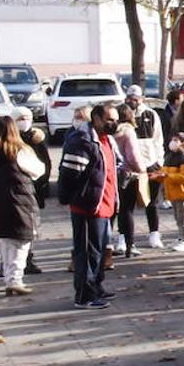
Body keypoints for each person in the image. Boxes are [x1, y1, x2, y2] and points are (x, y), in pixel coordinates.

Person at [59, 103, 121, 309]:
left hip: (105, 205)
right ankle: (84, 295)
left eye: (116, 119)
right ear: (96, 119)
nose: (114, 123)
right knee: (86, 252)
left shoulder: (106, 140)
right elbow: (69, 174)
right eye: (110, 119)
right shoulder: (83, 140)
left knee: (100, 251)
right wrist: (74, 197)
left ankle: (96, 286)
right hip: (87, 206)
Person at [0, 116, 46, 296]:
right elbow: (39, 170)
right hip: (20, 201)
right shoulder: (19, 150)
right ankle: (15, 280)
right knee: (21, 242)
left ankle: (10, 277)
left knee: (7, 242)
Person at [126, 85, 168, 250]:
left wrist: (159, 162)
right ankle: (125, 237)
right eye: (130, 98)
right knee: (127, 203)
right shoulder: (123, 114)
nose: (132, 101)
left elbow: (158, 139)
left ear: (142, 98)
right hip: (130, 166)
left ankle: (154, 233)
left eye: (135, 98)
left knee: (152, 201)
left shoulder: (151, 114)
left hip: (150, 163)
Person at [12, 106, 49, 275]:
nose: (24, 122)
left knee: (32, 227)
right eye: (20, 119)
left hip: (33, 189)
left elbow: (45, 164)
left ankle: (28, 259)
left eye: (27, 118)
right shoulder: (9, 140)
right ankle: (13, 263)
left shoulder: (36, 139)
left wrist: (41, 183)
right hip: (14, 191)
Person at [153, 133, 184, 252]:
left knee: (183, 217)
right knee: (178, 217)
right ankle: (180, 237)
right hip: (173, 193)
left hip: (182, 192)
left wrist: (166, 175)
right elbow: (164, 172)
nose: (173, 142)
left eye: (176, 140)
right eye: (172, 139)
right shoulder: (170, 157)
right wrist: (157, 175)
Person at [112, 105, 147, 258]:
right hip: (127, 174)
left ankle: (108, 244)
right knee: (127, 210)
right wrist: (142, 169)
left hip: (112, 172)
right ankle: (130, 245)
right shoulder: (128, 132)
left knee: (113, 211)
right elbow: (132, 155)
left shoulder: (110, 132)